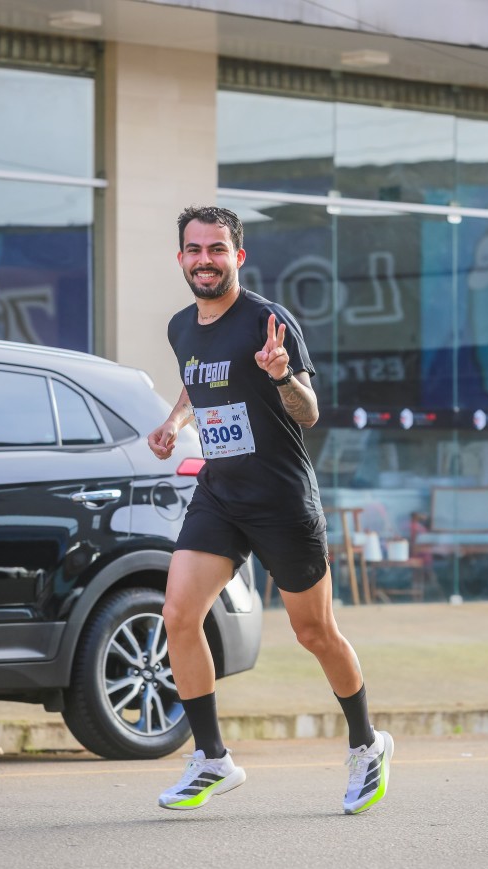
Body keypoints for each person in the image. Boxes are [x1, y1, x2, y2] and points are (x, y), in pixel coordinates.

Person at [147, 205, 393, 814]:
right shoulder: (181, 326)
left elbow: (308, 413)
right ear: (180, 258)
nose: (206, 260)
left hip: (281, 498)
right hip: (221, 493)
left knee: (313, 631)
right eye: (195, 250)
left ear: (238, 257)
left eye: (217, 250)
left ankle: (367, 744)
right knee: (179, 614)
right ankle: (212, 759)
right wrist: (174, 421)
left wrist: (283, 375)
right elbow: (195, 379)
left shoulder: (268, 322)